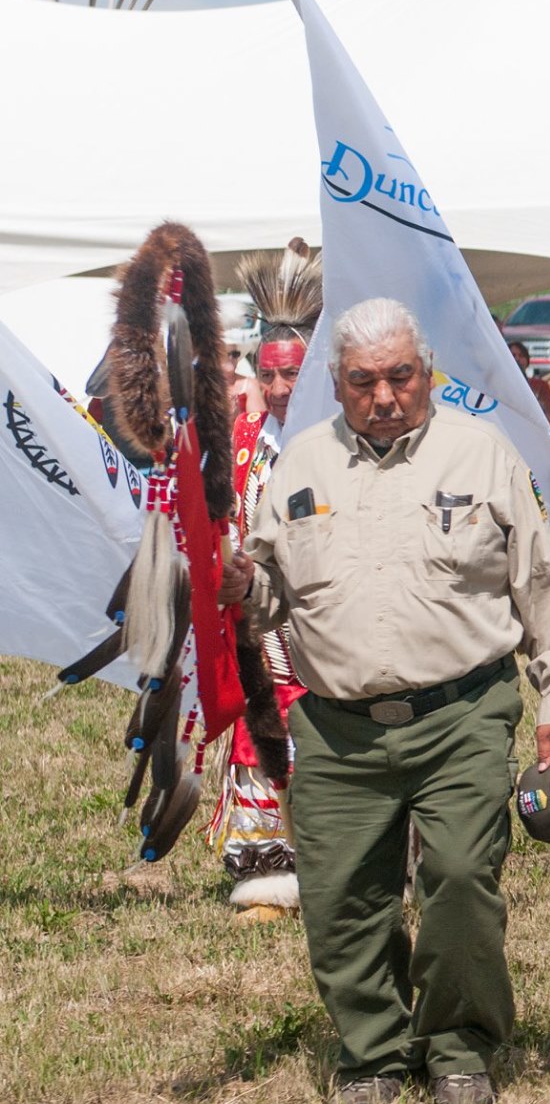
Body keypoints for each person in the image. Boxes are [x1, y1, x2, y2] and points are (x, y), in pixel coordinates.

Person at [219, 298, 550, 1104]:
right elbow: (269, 603)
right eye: (363, 381)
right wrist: (243, 589)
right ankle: (373, 1050)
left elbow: (544, 590)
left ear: (427, 373)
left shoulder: (482, 456)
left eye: (401, 376)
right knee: (341, 896)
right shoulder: (299, 467)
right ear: (337, 383)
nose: (385, 395)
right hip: (337, 728)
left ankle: (459, 1044)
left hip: (462, 712)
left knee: (460, 876)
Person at [207, 243, 324, 920]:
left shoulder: (344, 441)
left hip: (332, 626)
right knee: (262, 731)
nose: (279, 387)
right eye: (269, 373)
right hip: (263, 626)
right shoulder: (245, 443)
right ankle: (270, 874)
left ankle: (362, 863)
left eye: (292, 374)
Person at [507, 341, 550, 423]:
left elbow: (549, 415)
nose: (517, 359)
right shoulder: (497, 385)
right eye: (513, 355)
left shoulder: (541, 386)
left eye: (521, 356)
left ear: (527, 360)